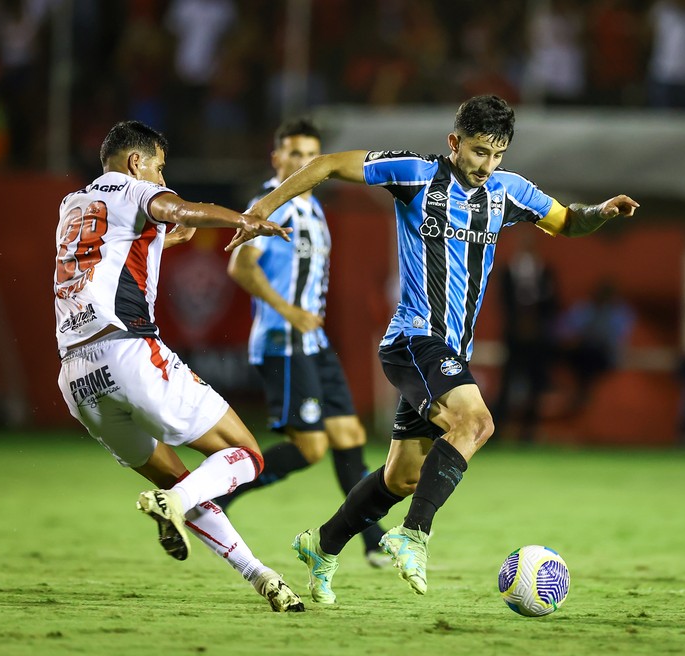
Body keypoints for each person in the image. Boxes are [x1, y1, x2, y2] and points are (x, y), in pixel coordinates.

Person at [229, 95, 638, 603]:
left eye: (498, 154)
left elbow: (568, 222)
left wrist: (601, 210)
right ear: (454, 142)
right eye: (478, 152)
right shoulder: (416, 175)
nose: (487, 165)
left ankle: (323, 544)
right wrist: (261, 208)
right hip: (413, 339)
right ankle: (413, 534)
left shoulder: (509, 192)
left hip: (449, 352)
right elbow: (328, 165)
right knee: (477, 422)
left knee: (400, 477)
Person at [54, 120, 304, 612]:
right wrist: (242, 220)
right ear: (135, 162)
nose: (160, 177)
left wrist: (159, 241)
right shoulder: (133, 188)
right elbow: (174, 206)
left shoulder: (73, 205)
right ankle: (176, 505)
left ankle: (262, 577)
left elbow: (103, 254)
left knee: (178, 485)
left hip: (77, 377)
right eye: (159, 168)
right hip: (127, 354)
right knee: (246, 455)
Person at [213, 118, 389, 566]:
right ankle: (216, 492)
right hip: (284, 339)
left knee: (349, 433)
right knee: (311, 448)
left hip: (313, 341)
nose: (300, 162)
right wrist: (287, 309)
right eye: (292, 153)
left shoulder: (311, 206)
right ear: (276, 158)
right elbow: (240, 267)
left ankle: (372, 541)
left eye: (309, 155)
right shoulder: (273, 205)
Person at [492, 231, 558, 443]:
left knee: (535, 383)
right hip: (514, 336)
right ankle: (499, 430)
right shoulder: (508, 270)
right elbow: (504, 302)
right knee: (508, 382)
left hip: (538, 337)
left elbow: (552, 303)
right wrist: (518, 323)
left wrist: (536, 323)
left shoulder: (545, 270)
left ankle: (529, 430)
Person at [554, 278, 635, 415]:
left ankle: (583, 393)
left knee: (591, 354)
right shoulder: (584, 309)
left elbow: (616, 338)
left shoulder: (620, 313)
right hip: (581, 353)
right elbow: (563, 329)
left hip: (603, 355)